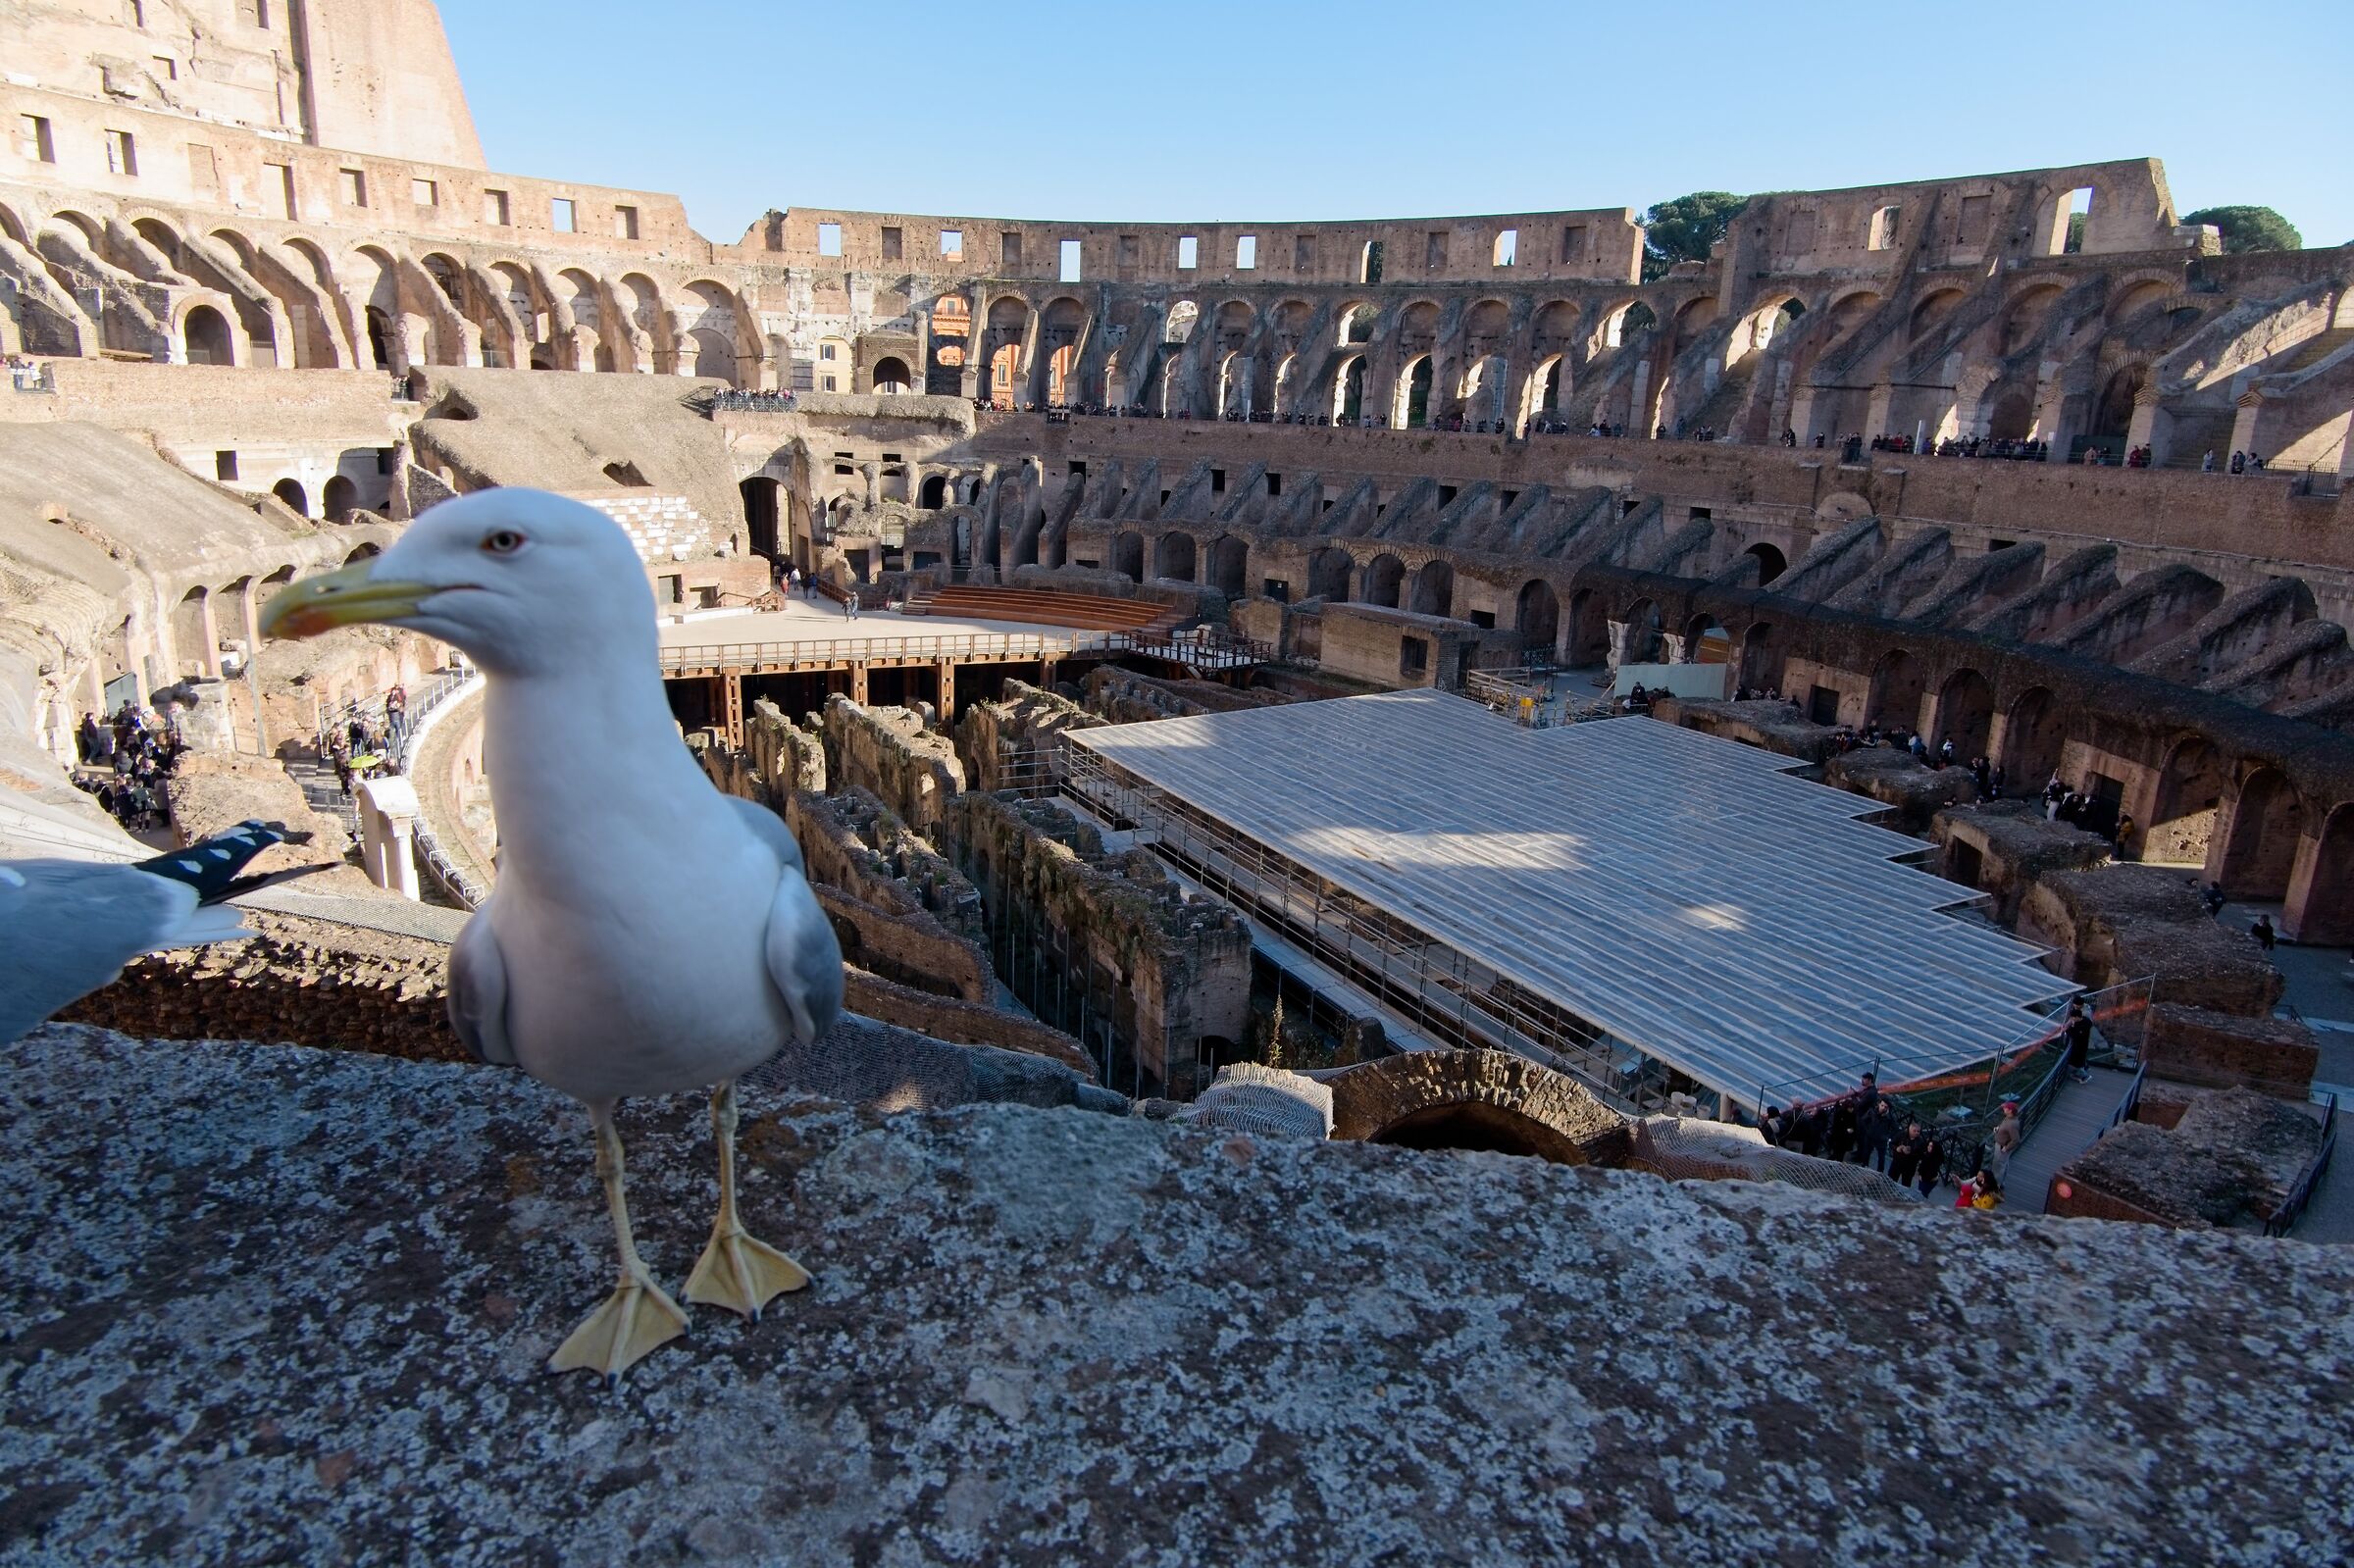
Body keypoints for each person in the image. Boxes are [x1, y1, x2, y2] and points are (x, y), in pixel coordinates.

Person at [1889, 1118, 1929, 1189]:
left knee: (1906, 1185)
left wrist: (1911, 1153)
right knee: (1891, 1181)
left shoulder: (1921, 1142)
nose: (1917, 1133)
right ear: (1909, 1130)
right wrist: (1897, 1148)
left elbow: (1922, 1155)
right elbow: (1891, 1144)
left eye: (1918, 1131)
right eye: (1915, 1131)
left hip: (1909, 1167)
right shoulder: (1901, 1135)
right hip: (1897, 1163)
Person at [2063, 998, 2095, 1084]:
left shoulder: (2083, 1024)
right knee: (2078, 1061)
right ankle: (2083, 1069)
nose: (2072, 1019)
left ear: (2077, 1017)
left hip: (2080, 1045)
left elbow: (2075, 1034)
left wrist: (2067, 1029)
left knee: (2076, 1062)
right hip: (2080, 1045)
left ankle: (2085, 1076)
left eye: (2073, 1018)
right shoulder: (2082, 1019)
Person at [1989, 1099, 2022, 1179]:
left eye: (2005, 1108)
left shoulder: (2012, 1124)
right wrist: (1998, 1128)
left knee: (1997, 1167)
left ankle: (1995, 1186)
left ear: (2010, 1111)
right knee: (2004, 1164)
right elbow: (2005, 1128)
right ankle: (2001, 1182)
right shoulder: (2008, 1118)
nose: (2003, 1109)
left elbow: (2016, 1139)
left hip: (2002, 1148)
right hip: (2001, 1146)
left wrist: (2006, 1148)